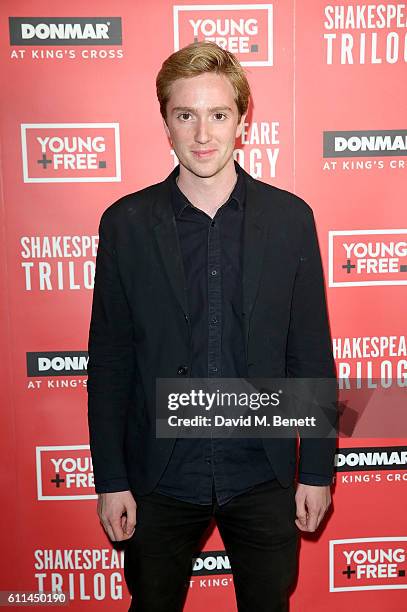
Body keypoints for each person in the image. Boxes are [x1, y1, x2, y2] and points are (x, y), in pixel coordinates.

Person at [87, 41, 337, 612]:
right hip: (159, 478)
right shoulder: (124, 225)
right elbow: (110, 363)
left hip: (263, 474)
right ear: (166, 125)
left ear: (243, 121)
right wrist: (111, 479)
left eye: (218, 114)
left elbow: (310, 355)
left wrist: (317, 470)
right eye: (186, 115)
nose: (203, 133)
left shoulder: (290, 219)